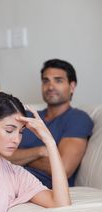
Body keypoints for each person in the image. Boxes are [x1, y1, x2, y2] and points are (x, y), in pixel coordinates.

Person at [9, 59, 94, 188]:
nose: (50, 87)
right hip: (2, 174)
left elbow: (63, 169)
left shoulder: (78, 118)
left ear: (72, 86)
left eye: (58, 80)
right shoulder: (26, 115)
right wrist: (40, 151)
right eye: (46, 81)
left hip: (36, 186)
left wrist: (18, 158)